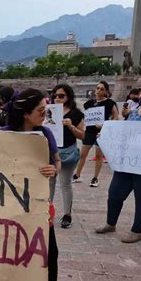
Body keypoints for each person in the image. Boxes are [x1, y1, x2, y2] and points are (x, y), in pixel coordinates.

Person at [0, 88, 76, 281]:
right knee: (14, 249)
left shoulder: (45, 134)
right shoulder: (3, 134)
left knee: (50, 251)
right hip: (10, 206)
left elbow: (57, 161)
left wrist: (54, 169)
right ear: (25, 113)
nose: (45, 114)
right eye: (40, 110)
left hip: (38, 204)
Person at [96, 84, 141, 242]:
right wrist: (106, 134)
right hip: (127, 163)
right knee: (115, 194)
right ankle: (111, 223)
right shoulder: (134, 112)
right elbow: (124, 134)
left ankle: (136, 231)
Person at [73, 81, 119, 187]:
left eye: (102, 89)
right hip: (89, 131)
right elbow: (86, 115)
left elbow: (116, 118)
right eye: (98, 88)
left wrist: (105, 125)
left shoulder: (110, 103)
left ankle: (95, 178)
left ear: (106, 91)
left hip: (101, 132)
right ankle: (77, 175)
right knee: (83, 155)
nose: (99, 90)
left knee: (99, 156)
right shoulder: (89, 103)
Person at [51, 84, 85, 228]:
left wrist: (71, 126)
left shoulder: (76, 114)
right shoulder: (48, 111)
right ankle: (48, 211)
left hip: (67, 152)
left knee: (65, 183)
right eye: (55, 95)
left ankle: (67, 215)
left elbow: (83, 135)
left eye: (61, 96)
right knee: (49, 184)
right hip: (51, 152)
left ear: (68, 97)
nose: (57, 98)